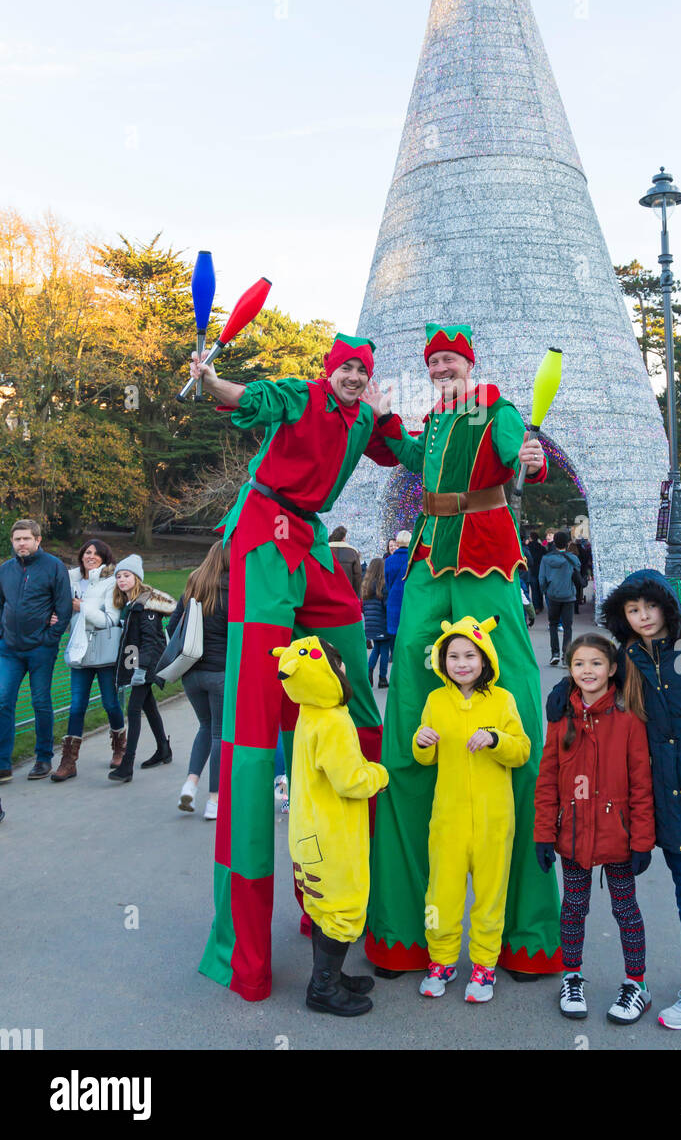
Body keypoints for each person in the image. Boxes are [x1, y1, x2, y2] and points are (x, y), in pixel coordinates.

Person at [362, 321, 562, 978]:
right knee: (416, 677)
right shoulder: (441, 421)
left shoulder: (496, 408)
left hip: (485, 548)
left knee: (503, 679)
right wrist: (387, 425)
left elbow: (514, 450)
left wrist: (528, 457)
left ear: (469, 365)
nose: (444, 368)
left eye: (452, 360)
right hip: (429, 549)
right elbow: (415, 459)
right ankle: (407, 932)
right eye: (437, 361)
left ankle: (523, 936)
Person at [189, 332, 384, 1002]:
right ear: (330, 373)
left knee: (352, 688)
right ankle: (246, 957)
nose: (355, 376)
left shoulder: (364, 418)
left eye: (363, 369)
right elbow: (247, 398)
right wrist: (210, 380)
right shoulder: (302, 395)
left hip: (312, 538)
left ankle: (341, 913)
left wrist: (520, 462)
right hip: (265, 529)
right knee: (250, 732)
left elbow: (415, 451)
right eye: (347, 369)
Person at [549, 568, 681, 1030]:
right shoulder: (626, 660)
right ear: (622, 615)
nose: (642, 617)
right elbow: (593, 682)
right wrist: (563, 694)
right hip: (666, 803)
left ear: (666, 607)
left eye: (649, 607)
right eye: (632, 609)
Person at [534, 633, 655, 1024]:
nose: (588, 671)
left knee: (625, 910)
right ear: (569, 670)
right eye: (580, 664)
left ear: (612, 669)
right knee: (573, 908)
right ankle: (572, 976)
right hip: (572, 834)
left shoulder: (628, 718)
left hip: (617, 835)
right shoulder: (560, 716)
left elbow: (641, 782)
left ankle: (636, 983)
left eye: (597, 663)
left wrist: (642, 840)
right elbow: (547, 776)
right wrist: (542, 833)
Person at [272, 636, 389, 1016]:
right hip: (333, 835)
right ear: (324, 672)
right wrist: (379, 773)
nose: (343, 669)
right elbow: (350, 781)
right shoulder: (333, 721)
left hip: (307, 832)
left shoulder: (309, 711)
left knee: (322, 907)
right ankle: (322, 989)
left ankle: (329, 975)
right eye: (337, 664)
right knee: (342, 908)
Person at [415, 617, 529, 1004]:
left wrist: (496, 739)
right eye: (453, 656)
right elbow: (424, 756)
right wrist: (422, 740)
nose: (461, 663)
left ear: (485, 659)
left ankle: (484, 965)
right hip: (447, 819)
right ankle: (440, 960)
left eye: (469, 655)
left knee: (490, 896)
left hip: (495, 821)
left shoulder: (502, 701)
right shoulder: (434, 701)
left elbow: (521, 751)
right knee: (439, 895)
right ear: (442, 660)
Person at [0, 518, 73, 781]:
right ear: (12, 541)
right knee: (3, 700)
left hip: (40, 648)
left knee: (40, 702)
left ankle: (43, 758)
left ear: (37, 540)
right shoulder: (5, 569)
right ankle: (3, 764)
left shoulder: (54, 567)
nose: (21, 543)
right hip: (8, 649)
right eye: (17, 539)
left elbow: (64, 609)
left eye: (26, 538)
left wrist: (49, 638)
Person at [52, 539, 126, 782]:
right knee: (76, 706)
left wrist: (82, 607)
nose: (90, 556)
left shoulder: (110, 582)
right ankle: (69, 761)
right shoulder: (70, 580)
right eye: (86, 552)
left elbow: (110, 620)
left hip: (103, 651)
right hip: (80, 651)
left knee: (110, 703)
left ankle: (120, 747)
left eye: (96, 553)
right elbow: (62, 612)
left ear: (104, 558)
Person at [169, 542, 229, 820]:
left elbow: (173, 627)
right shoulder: (235, 590)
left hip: (191, 671)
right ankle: (214, 800)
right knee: (219, 733)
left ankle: (190, 784)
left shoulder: (194, 585)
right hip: (221, 672)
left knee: (204, 727)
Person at [107, 556, 175, 782]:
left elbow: (151, 640)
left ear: (137, 578)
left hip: (147, 664)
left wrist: (141, 669)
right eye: (118, 576)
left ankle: (127, 765)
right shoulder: (129, 605)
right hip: (137, 663)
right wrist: (131, 667)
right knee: (149, 706)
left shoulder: (145, 605)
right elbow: (131, 641)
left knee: (133, 710)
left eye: (126, 575)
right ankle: (163, 749)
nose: (121, 580)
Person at [538, 531, 583, 666]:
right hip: (568, 596)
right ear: (568, 543)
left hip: (553, 596)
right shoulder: (573, 559)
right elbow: (578, 574)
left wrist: (546, 591)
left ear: (554, 542)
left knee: (553, 624)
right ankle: (566, 656)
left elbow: (541, 579)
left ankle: (555, 654)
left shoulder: (546, 559)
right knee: (567, 627)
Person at [361, 558, 390, 689]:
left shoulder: (366, 585)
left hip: (371, 624)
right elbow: (386, 606)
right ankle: (382, 678)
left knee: (376, 648)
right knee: (384, 651)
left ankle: (369, 670)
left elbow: (363, 607)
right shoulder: (382, 586)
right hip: (382, 623)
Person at [383, 529, 411, 652]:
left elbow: (387, 583)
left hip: (393, 600)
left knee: (394, 632)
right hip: (410, 600)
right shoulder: (413, 559)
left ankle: (394, 654)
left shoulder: (388, 561)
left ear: (398, 543)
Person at [328, 527, 362, 598]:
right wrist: (354, 594)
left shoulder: (325, 551)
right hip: (347, 594)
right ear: (343, 538)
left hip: (329, 594)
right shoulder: (352, 552)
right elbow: (358, 576)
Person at [525, 530, 545, 612]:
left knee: (533, 590)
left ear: (531, 538)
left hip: (531, 570)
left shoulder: (528, 547)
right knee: (539, 589)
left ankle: (535, 607)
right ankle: (540, 605)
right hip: (539, 570)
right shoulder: (541, 547)